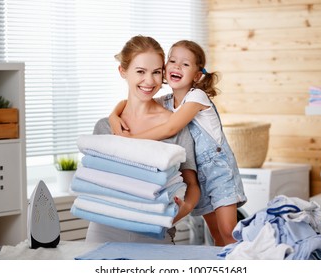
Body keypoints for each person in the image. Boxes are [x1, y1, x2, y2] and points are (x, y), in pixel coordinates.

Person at [109, 40, 247, 246]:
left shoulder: (197, 97)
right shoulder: (166, 101)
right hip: (197, 176)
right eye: (172, 61)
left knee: (229, 232)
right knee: (216, 235)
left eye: (185, 64)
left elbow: (170, 128)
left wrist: (130, 142)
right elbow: (129, 102)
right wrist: (114, 115)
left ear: (197, 75)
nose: (176, 66)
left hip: (219, 173)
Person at [85, 35, 200, 244]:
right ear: (122, 71)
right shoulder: (105, 126)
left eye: (156, 72)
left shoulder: (175, 125)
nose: (149, 81)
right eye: (140, 71)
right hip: (104, 230)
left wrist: (185, 208)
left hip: (155, 229)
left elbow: (192, 183)